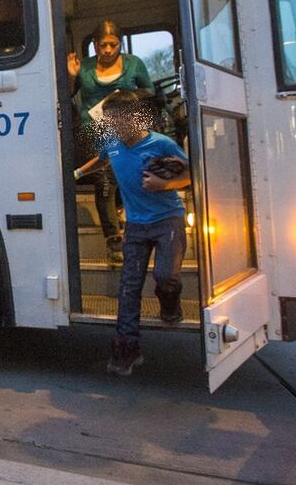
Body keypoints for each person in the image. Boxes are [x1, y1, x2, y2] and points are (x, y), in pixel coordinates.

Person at [74, 91, 190, 376]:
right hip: (136, 225)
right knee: (129, 287)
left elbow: (192, 175)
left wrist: (162, 185)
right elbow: (101, 160)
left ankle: (170, 305)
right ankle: (127, 348)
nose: (112, 128)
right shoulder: (113, 144)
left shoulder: (161, 143)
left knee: (166, 276)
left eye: (117, 122)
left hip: (167, 221)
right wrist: (76, 174)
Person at [68, 20, 152, 262]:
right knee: (105, 176)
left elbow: (150, 91)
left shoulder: (134, 64)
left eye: (112, 45)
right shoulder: (84, 67)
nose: (107, 50)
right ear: (94, 45)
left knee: (120, 170)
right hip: (93, 128)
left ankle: (126, 217)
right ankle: (114, 238)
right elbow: (67, 95)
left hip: (125, 125)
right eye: (102, 45)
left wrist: (126, 96)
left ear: (120, 44)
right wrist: (72, 77)